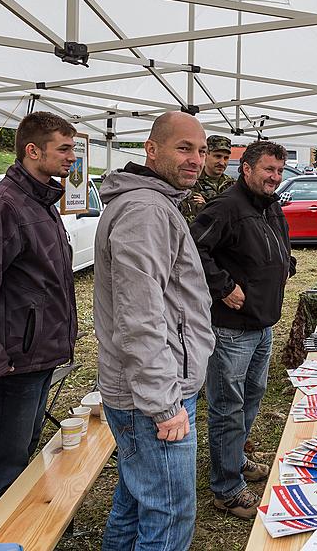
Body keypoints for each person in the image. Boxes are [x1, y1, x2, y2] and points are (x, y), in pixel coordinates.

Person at [0, 111, 78, 527]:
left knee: (20, 458)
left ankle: (13, 532)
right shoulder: (4, 204)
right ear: (33, 150)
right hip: (13, 364)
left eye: (73, 148)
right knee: (0, 467)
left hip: (37, 357)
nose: (72, 157)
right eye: (64, 148)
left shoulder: (39, 200)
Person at [93, 111, 214, 550]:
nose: (196, 160)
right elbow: (139, 319)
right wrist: (164, 404)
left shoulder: (152, 203)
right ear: (151, 149)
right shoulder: (144, 209)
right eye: (184, 148)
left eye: (200, 150)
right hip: (153, 399)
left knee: (135, 504)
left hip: (153, 390)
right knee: (167, 516)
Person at [191, 140, 297, 519]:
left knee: (253, 396)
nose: (275, 177)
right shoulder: (226, 207)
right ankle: (225, 489)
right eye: (269, 170)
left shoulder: (270, 207)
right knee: (227, 407)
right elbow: (193, 249)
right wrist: (222, 286)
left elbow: (277, 244)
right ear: (246, 169)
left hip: (262, 323)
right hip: (230, 330)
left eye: (280, 171)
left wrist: (288, 261)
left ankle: (234, 461)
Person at [178, 134, 236, 224]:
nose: (222, 162)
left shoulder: (232, 184)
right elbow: (193, 217)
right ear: (205, 155)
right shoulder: (191, 182)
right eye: (217, 156)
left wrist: (206, 206)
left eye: (226, 158)